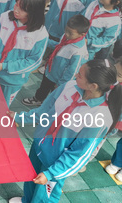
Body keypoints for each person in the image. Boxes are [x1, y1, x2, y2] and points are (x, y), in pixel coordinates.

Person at [9, 59, 122, 203]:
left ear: (93, 86)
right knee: (31, 178)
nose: (75, 75)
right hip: (40, 145)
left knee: (45, 196)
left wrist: (51, 173)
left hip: (55, 161)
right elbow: (44, 111)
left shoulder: (100, 117)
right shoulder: (69, 86)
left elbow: (78, 154)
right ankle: (27, 200)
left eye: (80, 75)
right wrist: (19, 118)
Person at [0, 0, 48, 105]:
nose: (16, 10)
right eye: (16, 5)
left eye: (23, 9)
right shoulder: (5, 17)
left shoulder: (40, 34)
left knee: (1, 106)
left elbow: (33, 61)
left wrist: (5, 66)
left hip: (12, 80)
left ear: (34, 13)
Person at [23, 15, 90, 107]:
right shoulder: (67, 37)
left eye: (70, 33)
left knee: (55, 96)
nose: (66, 34)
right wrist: (46, 41)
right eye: (66, 30)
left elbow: (72, 71)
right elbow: (59, 46)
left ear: (82, 34)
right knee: (43, 87)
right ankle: (38, 99)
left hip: (59, 80)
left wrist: (62, 84)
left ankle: (50, 108)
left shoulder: (78, 51)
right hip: (51, 71)